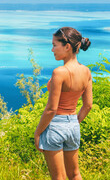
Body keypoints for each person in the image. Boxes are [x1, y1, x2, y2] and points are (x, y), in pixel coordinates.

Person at [35, 27, 93, 180]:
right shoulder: (86, 71)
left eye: (55, 45)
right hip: (73, 125)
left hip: (55, 126)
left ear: (67, 47)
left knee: (58, 177)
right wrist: (74, 122)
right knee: (75, 174)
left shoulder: (59, 72)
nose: (52, 49)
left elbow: (51, 109)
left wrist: (37, 133)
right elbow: (88, 105)